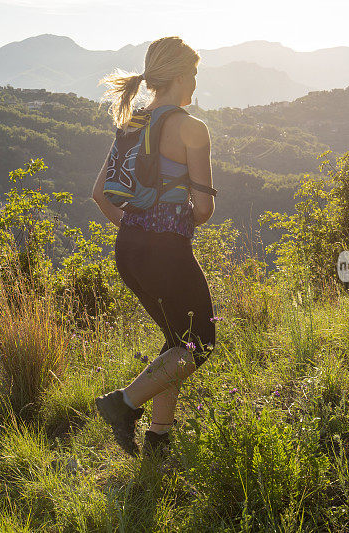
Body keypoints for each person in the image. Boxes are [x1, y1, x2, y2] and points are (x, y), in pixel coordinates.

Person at [91, 36, 216, 459]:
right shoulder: (191, 128)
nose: (196, 83)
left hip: (129, 249)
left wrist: (138, 226)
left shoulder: (132, 124)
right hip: (167, 252)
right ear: (181, 76)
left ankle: (159, 440)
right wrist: (176, 220)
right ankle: (122, 403)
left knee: (176, 341)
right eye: (195, 73)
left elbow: (99, 195)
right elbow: (203, 208)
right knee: (201, 343)